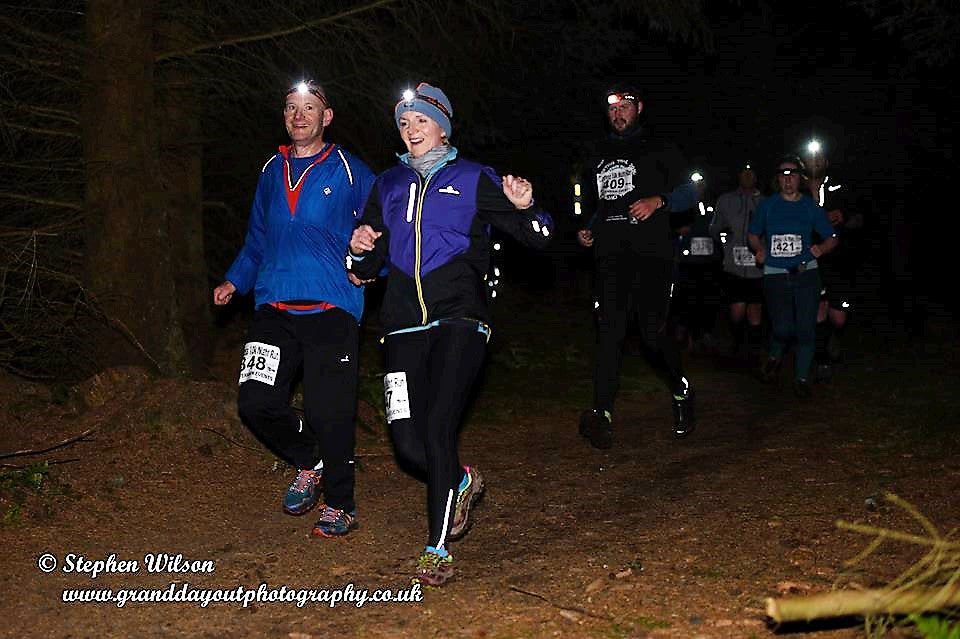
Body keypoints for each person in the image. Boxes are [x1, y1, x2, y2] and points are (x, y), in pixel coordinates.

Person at [346, 83, 553, 587]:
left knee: (439, 428)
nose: (411, 130)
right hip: (399, 323)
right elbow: (364, 267)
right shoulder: (387, 184)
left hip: (460, 316)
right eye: (404, 122)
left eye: (420, 120)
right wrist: (358, 248)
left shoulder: (473, 177)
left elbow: (540, 237)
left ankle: (436, 548)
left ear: (442, 127)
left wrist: (526, 209)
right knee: (408, 443)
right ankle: (460, 481)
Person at [213, 80, 375, 538]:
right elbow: (258, 237)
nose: (299, 115)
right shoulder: (270, 169)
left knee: (331, 411)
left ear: (327, 117)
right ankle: (311, 459)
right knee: (255, 400)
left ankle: (341, 503)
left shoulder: (349, 171)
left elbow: (382, 227)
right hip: (274, 305)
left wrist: (370, 268)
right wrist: (234, 279)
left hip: (332, 306)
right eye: (290, 107)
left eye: (309, 108)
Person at [576, 86, 698, 449]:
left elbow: (690, 193)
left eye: (625, 107)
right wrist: (589, 228)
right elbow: (601, 203)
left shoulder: (660, 148)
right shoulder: (598, 153)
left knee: (650, 334)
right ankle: (601, 414)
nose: (618, 114)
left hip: (652, 255)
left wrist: (658, 200)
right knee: (610, 331)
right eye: (613, 109)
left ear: (639, 108)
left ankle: (680, 389)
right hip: (610, 257)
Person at [747, 155, 838, 398]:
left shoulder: (810, 207)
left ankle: (801, 378)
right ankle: (776, 355)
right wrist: (759, 249)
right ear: (778, 180)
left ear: (800, 179)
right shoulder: (767, 206)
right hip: (775, 275)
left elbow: (832, 238)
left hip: (806, 274)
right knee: (784, 327)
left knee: (806, 329)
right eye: (783, 175)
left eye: (793, 175)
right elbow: (753, 234)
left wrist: (822, 248)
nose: (788, 180)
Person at [800, 142, 864, 382]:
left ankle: (833, 338)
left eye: (820, 158)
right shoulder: (798, 190)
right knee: (819, 309)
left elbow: (861, 218)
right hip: (812, 260)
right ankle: (822, 359)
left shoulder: (842, 187)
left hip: (841, 261)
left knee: (838, 317)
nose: (815, 161)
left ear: (826, 162)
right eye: (810, 158)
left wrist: (844, 217)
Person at [710, 163, 765, 360]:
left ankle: (753, 351)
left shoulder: (765, 202)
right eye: (744, 172)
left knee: (755, 309)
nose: (748, 176)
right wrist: (722, 235)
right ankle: (736, 341)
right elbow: (714, 228)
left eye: (751, 172)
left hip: (758, 267)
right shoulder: (725, 200)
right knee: (737, 310)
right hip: (733, 265)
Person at [672, 174, 722, 353]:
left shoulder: (713, 206)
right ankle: (685, 333)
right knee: (686, 299)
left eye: (701, 185)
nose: (699, 189)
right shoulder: (682, 205)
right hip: (688, 262)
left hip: (709, 262)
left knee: (707, 299)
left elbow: (719, 228)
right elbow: (675, 228)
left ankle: (705, 334)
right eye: (695, 186)